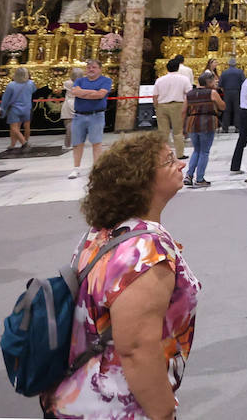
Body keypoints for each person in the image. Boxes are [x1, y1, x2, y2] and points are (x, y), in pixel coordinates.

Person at [41, 132, 199, 420]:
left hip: (77, 391)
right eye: (169, 161)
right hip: (115, 403)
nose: (181, 164)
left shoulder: (103, 232)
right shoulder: (146, 251)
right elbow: (136, 348)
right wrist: (163, 412)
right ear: (142, 181)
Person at [69, 59, 112, 180]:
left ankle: (97, 168)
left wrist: (83, 93)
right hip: (79, 116)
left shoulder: (106, 80)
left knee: (96, 142)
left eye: (93, 67)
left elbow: (100, 95)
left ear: (100, 69)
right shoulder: (79, 80)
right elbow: (75, 92)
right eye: (88, 68)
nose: (91, 70)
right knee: (77, 143)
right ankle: (76, 168)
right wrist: (92, 92)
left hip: (96, 116)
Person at [183, 72, 222, 188]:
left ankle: (189, 175)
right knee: (204, 151)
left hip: (192, 123)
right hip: (207, 123)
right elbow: (222, 106)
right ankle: (199, 179)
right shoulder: (212, 93)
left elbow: (183, 111)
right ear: (208, 82)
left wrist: (183, 127)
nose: (215, 83)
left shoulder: (189, 94)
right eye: (213, 81)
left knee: (196, 150)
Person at [153, 58, 191, 163]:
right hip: (177, 105)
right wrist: (186, 106)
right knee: (177, 131)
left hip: (162, 105)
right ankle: (180, 153)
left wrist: (156, 107)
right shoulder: (184, 79)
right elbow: (189, 93)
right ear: (178, 67)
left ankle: (165, 154)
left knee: (163, 131)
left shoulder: (160, 80)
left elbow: (155, 95)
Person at [1, 66, 37, 154]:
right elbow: (34, 90)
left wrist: (1, 108)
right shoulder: (30, 83)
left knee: (14, 127)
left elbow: (5, 99)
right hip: (27, 108)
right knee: (26, 126)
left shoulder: (11, 85)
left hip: (15, 108)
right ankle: (16, 144)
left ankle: (24, 142)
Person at [218, 57, 244, 134]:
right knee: (237, 110)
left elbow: (220, 84)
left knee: (226, 111)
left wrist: (224, 90)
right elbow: (243, 82)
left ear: (228, 64)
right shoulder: (240, 72)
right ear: (235, 64)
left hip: (227, 92)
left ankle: (225, 128)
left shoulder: (224, 72)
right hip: (237, 91)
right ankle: (238, 127)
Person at [60, 66, 82, 149]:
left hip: (68, 103)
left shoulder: (67, 83)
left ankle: (68, 144)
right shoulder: (82, 83)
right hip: (78, 103)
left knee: (68, 125)